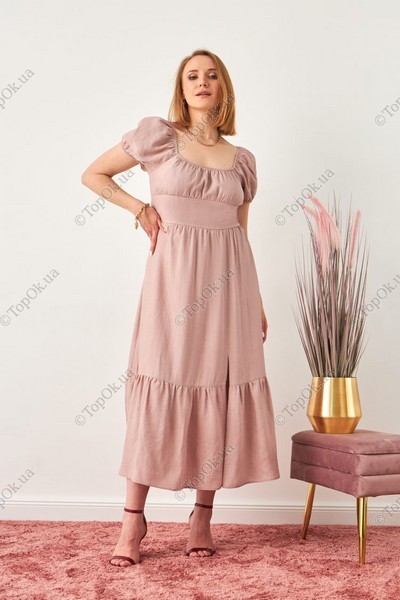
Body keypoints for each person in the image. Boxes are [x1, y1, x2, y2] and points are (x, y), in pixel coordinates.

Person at [81, 48, 280, 568]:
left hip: (231, 289)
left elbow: (241, 232)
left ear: (224, 87)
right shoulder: (160, 137)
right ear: (182, 87)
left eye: (212, 75)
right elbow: (94, 175)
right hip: (172, 286)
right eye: (192, 75)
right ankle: (133, 520)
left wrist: (257, 299)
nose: (202, 82)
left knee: (219, 386)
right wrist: (139, 208)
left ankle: (202, 517)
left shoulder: (242, 160)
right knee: (159, 383)